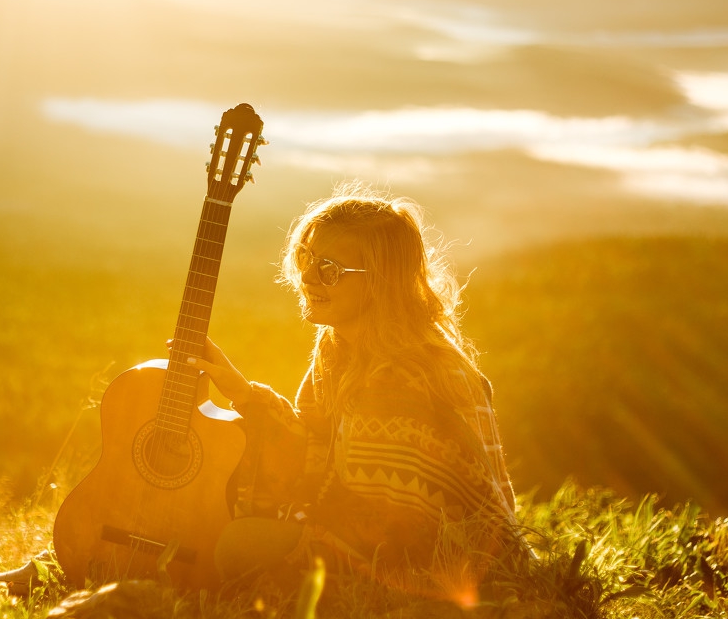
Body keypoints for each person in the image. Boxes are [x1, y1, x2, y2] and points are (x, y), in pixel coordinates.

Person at [190, 184, 520, 587]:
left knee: (235, 544)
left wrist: (287, 529)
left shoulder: (404, 376)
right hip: (368, 537)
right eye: (305, 257)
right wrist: (241, 392)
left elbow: (389, 531)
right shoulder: (338, 346)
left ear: (380, 281)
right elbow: (317, 449)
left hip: (428, 564)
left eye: (330, 269)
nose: (308, 277)